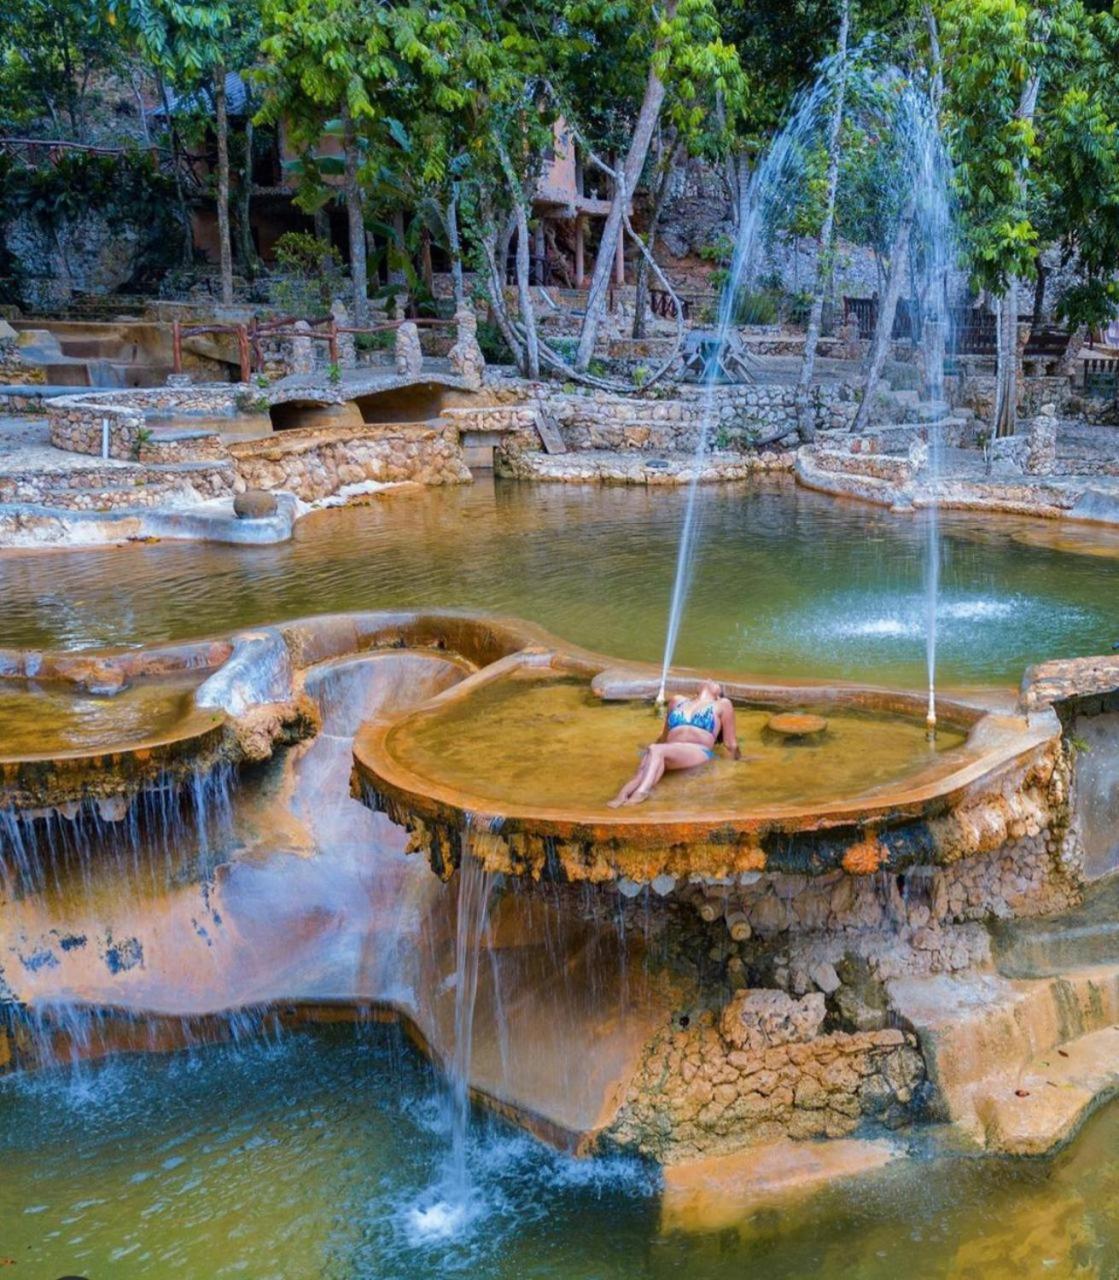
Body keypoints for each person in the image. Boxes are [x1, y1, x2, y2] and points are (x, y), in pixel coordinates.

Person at [607, 680, 739, 807]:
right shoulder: (677, 701)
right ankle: (621, 796)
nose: (709, 679)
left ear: (718, 695)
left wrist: (737, 763)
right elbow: (664, 736)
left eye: (715, 682)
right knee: (642, 772)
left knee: (656, 750)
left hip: (698, 750)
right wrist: (648, 747)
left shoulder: (722, 704)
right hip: (669, 749)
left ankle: (641, 793)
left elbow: (730, 744)